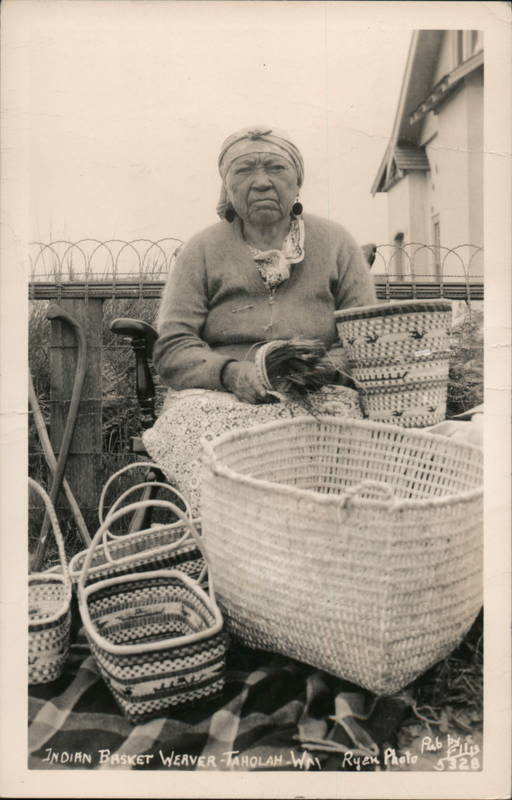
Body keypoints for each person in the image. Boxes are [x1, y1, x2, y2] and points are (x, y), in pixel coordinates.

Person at [142, 125, 378, 514]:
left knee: (340, 451)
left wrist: (313, 370)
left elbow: (366, 340)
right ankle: (236, 550)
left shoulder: (336, 243)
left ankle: (321, 554)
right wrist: (231, 373)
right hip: (218, 397)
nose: (262, 182)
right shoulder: (201, 250)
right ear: (227, 187)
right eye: (244, 170)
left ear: (298, 183)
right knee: (203, 444)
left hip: (318, 395)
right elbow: (173, 349)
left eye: (276, 168)